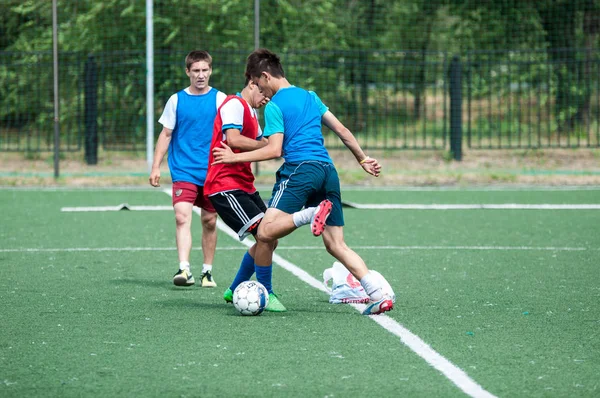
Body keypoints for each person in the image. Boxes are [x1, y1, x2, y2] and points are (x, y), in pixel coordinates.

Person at [212, 48, 393, 315]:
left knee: (264, 232)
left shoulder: (275, 105)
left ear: (264, 76)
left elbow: (274, 150)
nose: (259, 90)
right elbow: (342, 131)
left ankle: (309, 214)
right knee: (335, 245)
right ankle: (377, 294)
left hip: (300, 171)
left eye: (258, 82)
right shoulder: (311, 96)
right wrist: (363, 158)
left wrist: (233, 159)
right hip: (327, 171)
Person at [204, 78, 321, 312]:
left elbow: (266, 144)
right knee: (265, 235)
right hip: (225, 186)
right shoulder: (234, 104)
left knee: (270, 238)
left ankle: (234, 288)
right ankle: (266, 291)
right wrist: (266, 146)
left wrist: (271, 145)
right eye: (262, 92)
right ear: (251, 83)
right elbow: (234, 139)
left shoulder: (252, 112)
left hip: (244, 185)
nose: (266, 97)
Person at [149, 50, 226, 288]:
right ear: (188, 72)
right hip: (184, 171)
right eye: (196, 71)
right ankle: (184, 269)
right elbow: (166, 134)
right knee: (182, 217)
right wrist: (155, 167)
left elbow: (231, 133)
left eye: (204, 70)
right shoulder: (176, 100)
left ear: (210, 71)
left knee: (209, 221)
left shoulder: (220, 99)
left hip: (213, 172)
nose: (201, 75)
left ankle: (207, 271)